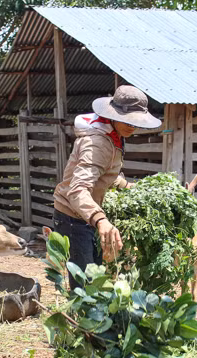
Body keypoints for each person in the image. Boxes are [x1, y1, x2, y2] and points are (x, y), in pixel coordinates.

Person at [52, 85, 161, 287]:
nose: (132, 126)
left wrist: (129, 187)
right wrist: (101, 220)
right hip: (72, 217)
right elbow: (77, 189)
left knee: (97, 276)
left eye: (136, 121)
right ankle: (80, 317)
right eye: (128, 120)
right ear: (113, 115)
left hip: (87, 216)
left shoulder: (113, 136)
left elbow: (105, 175)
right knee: (86, 284)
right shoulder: (97, 143)